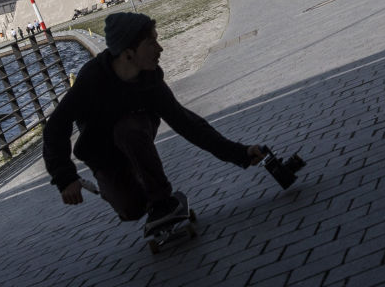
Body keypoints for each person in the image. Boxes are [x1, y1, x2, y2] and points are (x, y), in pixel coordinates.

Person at [42, 12, 264, 235]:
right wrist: (66, 177)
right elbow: (55, 127)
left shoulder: (150, 81)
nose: (160, 49)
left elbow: (187, 124)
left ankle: (161, 201)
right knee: (131, 209)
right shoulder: (92, 79)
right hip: (103, 154)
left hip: (135, 135)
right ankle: (144, 196)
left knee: (128, 130)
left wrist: (240, 153)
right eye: (152, 43)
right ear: (128, 54)